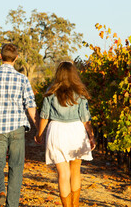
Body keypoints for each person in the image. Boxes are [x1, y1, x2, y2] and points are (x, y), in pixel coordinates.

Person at [0, 43, 38, 207]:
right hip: (17, 127)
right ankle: (12, 205)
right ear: (16, 58)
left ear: (0, 56)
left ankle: (0, 193)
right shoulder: (22, 79)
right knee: (16, 167)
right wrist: (38, 127)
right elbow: (30, 105)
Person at [34, 61, 96, 207]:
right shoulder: (80, 92)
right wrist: (91, 136)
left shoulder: (51, 92)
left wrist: (39, 134)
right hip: (76, 131)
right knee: (75, 171)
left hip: (57, 131)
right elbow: (85, 118)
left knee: (63, 174)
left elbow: (44, 116)